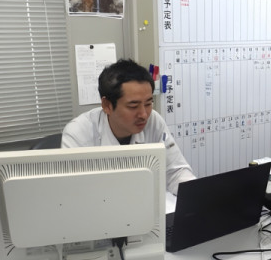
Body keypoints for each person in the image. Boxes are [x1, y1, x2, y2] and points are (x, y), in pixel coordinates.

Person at [62, 59, 195, 194]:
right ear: (107, 105)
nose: (144, 114)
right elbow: (73, 191)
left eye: (148, 103)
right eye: (133, 106)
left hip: (145, 202)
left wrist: (195, 196)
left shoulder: (153, 120)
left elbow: (176, 172)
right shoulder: (78, 133)